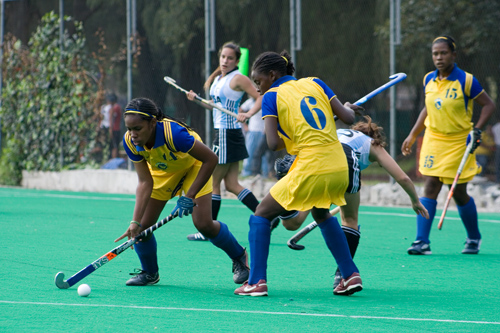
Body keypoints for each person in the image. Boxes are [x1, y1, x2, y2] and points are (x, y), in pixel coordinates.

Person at [233, 50, 365, 297]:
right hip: (338, 163)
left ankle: (256, 281)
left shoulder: (272, 96)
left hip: (312, 163)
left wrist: (293, 133)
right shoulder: (315, 82)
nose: (258, 88)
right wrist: (343, 108)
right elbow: (347, 117)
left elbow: (272, 143)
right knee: (321, 212)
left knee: (261, 215)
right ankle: (349, 274)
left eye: (259, 81)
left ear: (272, 75)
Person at [278, 116, 430, 288]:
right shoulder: (372, 144)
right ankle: (343, 276)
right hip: (346, 160)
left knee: (293, 222)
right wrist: (415, 200)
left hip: (318, 157)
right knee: (350, 220)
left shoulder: (338, 132)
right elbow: (402, 177)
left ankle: (285, 206)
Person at [114, 97, 249, 286]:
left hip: (195, 165)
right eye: (129, 129)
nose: (133, 134)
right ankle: (150, 273)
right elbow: (145, 181)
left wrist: (189, 196)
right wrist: (135, 222)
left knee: (203, 224)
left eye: (137, 129)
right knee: (142, 229)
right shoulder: (130, 142)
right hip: (164, 171)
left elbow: (210, 159)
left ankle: (239, 257)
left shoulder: (174, 134)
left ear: (152, 123)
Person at [401, 36, 495, 255]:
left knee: (459, 192)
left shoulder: (467, 80)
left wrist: (477, 129)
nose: (439, 57)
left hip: (459, 141)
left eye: (443, 53)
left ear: (454, 55)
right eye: (435, 54)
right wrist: (414, 134)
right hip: (435, 139)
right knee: (430, 185)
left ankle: (474, 237)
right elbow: (427, 108)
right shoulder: (428, 80)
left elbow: (489, 105)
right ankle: (421, 241)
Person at [185, 42, 265, 241]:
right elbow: (215, 107)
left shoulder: (238, 78)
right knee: (231, 184)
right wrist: (197, 100)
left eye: (230, 58)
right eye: (223, 57)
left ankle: (208, 229)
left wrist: (248, 114)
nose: (225, 61)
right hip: (224, 133)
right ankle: (266, 216)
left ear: (237, 61)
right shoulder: (219, 79)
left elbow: (261, 96)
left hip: (226, 133)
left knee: (213, 182)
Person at [240, 97, 269, 177]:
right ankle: (247, 172)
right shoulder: (250, 101)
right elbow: (240, 110)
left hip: (263, 131)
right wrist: (245, 125)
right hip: (252, 130)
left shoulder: (266, 100)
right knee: (249, 152)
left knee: (262, 154)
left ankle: (264, 173)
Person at [108, 93, 122, 159]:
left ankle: (114, 160)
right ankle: (115, 159)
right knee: (116, 145)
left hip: (114, 129)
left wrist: (110, 129)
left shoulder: (114, 108)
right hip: (118, 128)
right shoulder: (119, 107)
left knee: (114, 146)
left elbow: (111, 119)